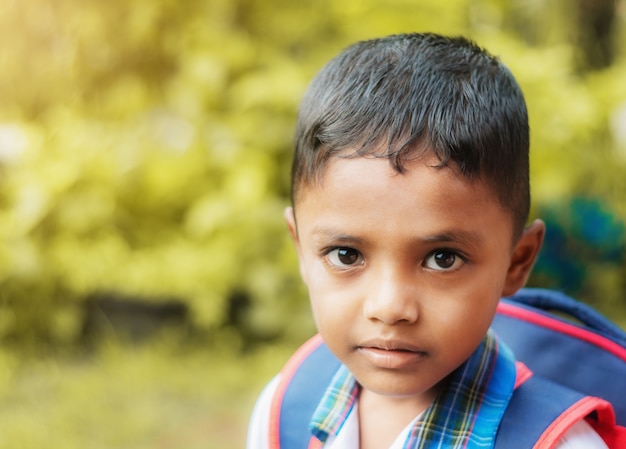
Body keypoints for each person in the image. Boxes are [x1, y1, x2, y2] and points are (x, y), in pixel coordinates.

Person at [246, 33, 610, 448]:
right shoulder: (283, 409)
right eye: (346, 255)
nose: (389, 307)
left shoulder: (559, 443)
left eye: (442, 259)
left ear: (517, 261)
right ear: (301, 249)